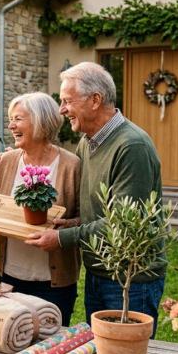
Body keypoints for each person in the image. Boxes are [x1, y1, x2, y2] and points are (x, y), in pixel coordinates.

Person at [10, 62, 166, 338]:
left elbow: (122, 225)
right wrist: (72, 221)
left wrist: (60, 238)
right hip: (98, 273)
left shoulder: (132, 147)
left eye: (67, 101)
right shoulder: (88, 142)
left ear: (95, 100)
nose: (61, 109)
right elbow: (96, 209)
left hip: (129, 278)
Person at [0, 92, 81, 327]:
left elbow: (83, 218)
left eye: (18, 119)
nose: (11, 125)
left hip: (53, 284)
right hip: (9, 277)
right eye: (11, 119)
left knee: (49, 346)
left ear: (42, 122)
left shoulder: (71, 165)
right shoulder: (6, 161)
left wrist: (62, 231)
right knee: (8, 339)